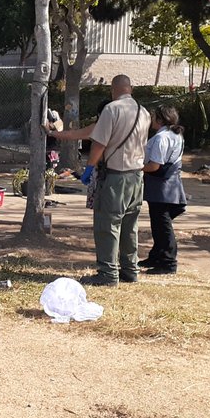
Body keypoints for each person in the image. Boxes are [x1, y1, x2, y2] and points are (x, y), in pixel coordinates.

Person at [80, 75, 151, 287]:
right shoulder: (144, 112)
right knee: (130, 225)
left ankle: (108, 273)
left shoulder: (112, 109)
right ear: (130, 89)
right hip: (137, 176)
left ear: (113, 90)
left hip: (116, 176)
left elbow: (99, 144)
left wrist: (89, 168)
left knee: (107, 224)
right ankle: (130, 269)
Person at [140, 104, 188, 275]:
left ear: (160, 119)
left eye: (153, 117)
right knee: (158, 224)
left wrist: (136, 167)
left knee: (163, 225)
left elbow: (154, 165)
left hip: (162, 187)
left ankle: (168, 262)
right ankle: (156, 256)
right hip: (166, 185)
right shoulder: (175, 136)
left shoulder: (162, 138)